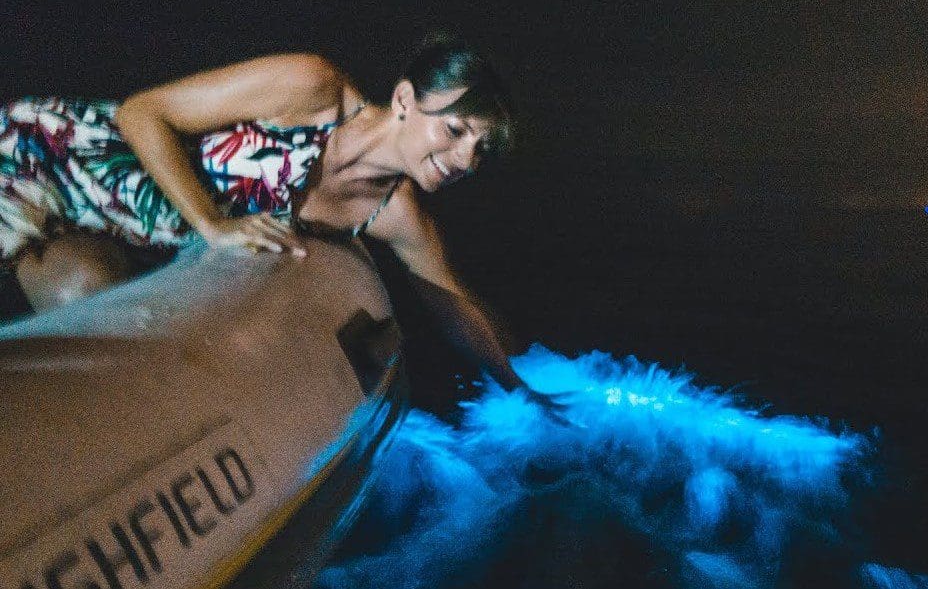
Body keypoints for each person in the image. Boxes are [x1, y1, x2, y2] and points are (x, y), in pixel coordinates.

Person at [0, 32, 558, 409]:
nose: (465, 160)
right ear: (405, 100)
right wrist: (214, 225)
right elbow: (142, 113)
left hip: (104, 225)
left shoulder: (393, 212)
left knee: (101, 319)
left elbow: (455, 308)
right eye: (455, 131)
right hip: (45, 162)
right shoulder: (310, 88)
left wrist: (523, 393)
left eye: (481, 149)